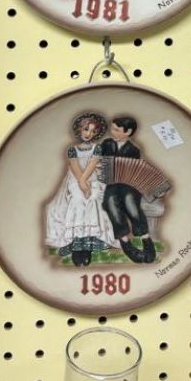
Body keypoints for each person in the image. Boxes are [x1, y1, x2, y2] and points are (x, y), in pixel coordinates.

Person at [45, 112, 116, 267]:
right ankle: (77, 246)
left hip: (93, 179)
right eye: (86, 129)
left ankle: (87, 246)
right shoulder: (72, 149)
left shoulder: (97, 148)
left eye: (92, 131)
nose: (88, 133)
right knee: (77, 201)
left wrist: (86, 183)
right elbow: (75, 167)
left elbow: (92, 166)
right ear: (79, 129)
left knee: (93, 199)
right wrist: (82, 183)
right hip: (75, 180)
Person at [100, 116, 156, 264]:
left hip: (129, 185)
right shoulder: (107, 144)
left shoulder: (133, 150)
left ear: (128, 132)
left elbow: (133, 172)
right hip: (111, 183)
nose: (112, 131)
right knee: (110, 202)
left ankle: (146, 240)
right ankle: (126, 243)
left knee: (130, 203)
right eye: (112, 128)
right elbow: (99, 161)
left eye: (116, 129)